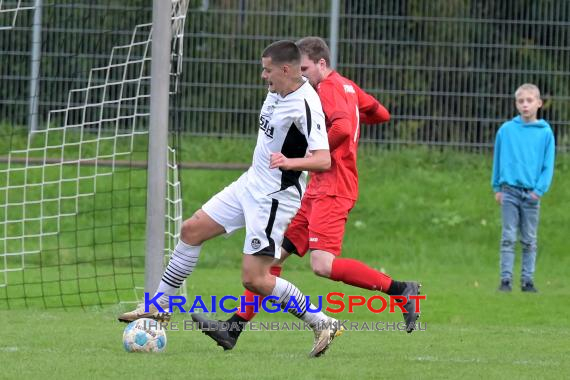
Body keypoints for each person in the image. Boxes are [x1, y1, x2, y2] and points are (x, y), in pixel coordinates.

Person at [191, 37, 421, 351]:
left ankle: (401, 290)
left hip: (333, 185)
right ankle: (233, 329)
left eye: (306, 68)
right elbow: (380, 114)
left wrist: (318, 144)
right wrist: (352, 120)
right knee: (271, 260)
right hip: (312, 188)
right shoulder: (349, 87)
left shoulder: (324, 89)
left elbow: (339, 126)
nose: (302, 74)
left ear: (321, 64)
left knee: (322, 265)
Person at [118, 40, 343, 358]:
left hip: (274, 196)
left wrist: (289, 163)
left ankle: (322, 322)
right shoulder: (278, 90)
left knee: (255, 279)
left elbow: (322, 160)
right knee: (191, 231)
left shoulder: (306, 104)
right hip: (250, 183)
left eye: (267, 70)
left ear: (285, 69)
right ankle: (157, 307)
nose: (263, 77)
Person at [492, 83, 555, 293]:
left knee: (529, 239)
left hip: (531, 194)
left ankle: (528, 281)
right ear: (516, 104)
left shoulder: (545, 133)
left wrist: (539, 191)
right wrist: (497, 187)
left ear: (539, 103)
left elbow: (548, 165)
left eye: (529, 101)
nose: (525, 105)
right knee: (508, 237)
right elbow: (498, 159)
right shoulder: (506, 131)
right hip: (509, 191)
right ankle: (505, 281)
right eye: (521, 101)